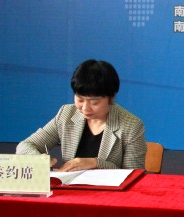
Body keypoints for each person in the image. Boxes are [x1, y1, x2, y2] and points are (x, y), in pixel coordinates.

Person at [16, 59, 146, 171]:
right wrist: (39, 159)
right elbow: (25, 146)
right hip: (69, 188)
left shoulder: (131, 126)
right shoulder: (66, 114)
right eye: (80, 99)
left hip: (107, 191)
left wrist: (96, 163)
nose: (85, 108)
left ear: (111, 98)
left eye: (94, 102)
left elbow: (134, 175)